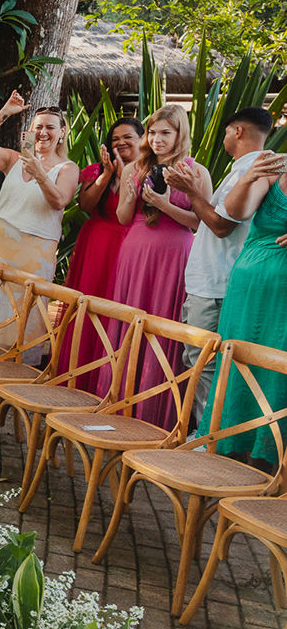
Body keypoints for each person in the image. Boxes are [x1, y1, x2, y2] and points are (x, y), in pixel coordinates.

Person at [166, 107, 272, 429]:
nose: (225, 137)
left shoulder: (253, 169)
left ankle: (208, 440)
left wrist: (191, 191)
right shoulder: (244, 168)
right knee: (198, 361)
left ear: (236, 131)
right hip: (208, 281)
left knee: (206, 365)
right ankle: (205, 435)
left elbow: (221, 225)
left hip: (217, 285)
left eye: (226, 131)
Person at [99, 104, 200, 427]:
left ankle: (156, 410)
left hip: (175, 254)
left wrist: (165, 205)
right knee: (129, 322)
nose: (157, 139)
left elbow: (200, 222)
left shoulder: (196, 172)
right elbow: (124, 218)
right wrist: (130, 196)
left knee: (163, 325)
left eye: (165, 133)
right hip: (137, 251)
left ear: (179, 134)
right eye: (153, 132)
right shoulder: (135, 168)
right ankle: (119, 400)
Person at [0, 94, 80, 349]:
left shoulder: (67, 168)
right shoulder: (12, 159)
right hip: (0, 247)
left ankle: (18, 379)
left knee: (25, 316)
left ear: (62, 132)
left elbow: (59, 201)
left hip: (34, 253)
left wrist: (40, 173)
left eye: (50, 127)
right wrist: (5, 112)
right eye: (38, 126)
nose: (43, 132)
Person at [207, 147, 287, 460]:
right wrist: (249, 177)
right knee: (240, 368)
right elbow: (235, 213)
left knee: (277, 375)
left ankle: (271, 463)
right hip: (249, 291)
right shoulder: (274, 166)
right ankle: (229, 453)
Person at [60, 117, 144, 390]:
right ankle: (76, 374)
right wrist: (107, 174)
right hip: (95, 245)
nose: (120, 142)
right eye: (115, 138)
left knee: (114, 308)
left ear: (143, 140)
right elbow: (85, 204)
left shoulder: (147, 172)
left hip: (128, 247)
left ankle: (106, 380)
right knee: (87, 307)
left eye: (128, 137)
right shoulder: (97, 169)